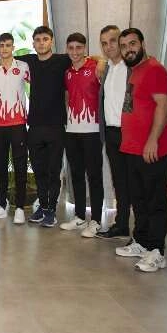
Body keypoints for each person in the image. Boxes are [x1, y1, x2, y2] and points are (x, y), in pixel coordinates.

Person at [114, 28, 167, 273]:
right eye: (124, 45)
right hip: (132, 148)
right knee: (138, 198)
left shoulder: (155, 70)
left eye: (133, 43)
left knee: (154, 199)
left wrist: (152, 140)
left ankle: (157, 250)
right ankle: (141, 241)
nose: (128, 49)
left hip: (151, 149)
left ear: (142, 43)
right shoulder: (136, 70)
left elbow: (164, 105)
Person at [15, 26, 72, 228]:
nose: (41, 43)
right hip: (35, 126)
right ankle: (43, 207)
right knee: (39, 171)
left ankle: (51, 211)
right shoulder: (29, 61)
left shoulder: (62, 60)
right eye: (38, 40)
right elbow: (6, 58)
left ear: (51, 41)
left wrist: (100, 62)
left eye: (45, 39)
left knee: (53, 171)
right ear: (33, 43)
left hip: (56, 126)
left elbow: (84, 58)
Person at [57, 33, 104, 238]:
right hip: (71, 130)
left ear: (84, 48)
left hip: (92, 131)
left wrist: (100, 60)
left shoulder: (96, 67)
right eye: (71, 48)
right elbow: (67, 96)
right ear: (67, 49)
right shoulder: (67, 72)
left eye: (78, 48)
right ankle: (79, 216)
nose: (74, 52)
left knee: (94, 176)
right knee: (76, 174)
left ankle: (96, 220)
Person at [0, 33, 30, 224]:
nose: (4, 48)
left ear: (13, 48)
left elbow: (39, 85)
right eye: (1, 45)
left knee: (20, 166)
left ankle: (19, 207)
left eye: (8, 45)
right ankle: (1, 205)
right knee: (1, 166)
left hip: (18, 124)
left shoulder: (23, 67)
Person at [95, 25, 132, 240]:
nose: (108, 46)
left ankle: (143, 233)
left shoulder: (134, 66)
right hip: (110, 133)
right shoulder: (106, 67)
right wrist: (101, 60)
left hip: (131, 133)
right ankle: (122, 225)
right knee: (119, 182)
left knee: (136, 182)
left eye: (112, 41)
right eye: (104, 43)